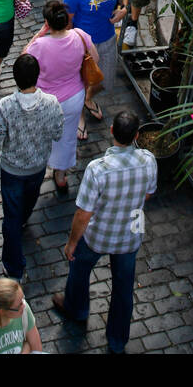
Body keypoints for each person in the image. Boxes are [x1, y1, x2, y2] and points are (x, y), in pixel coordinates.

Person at [52, 109, 156, 354]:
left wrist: (71, 243)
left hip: (98, 235)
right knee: (123, 288)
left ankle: (76, 309)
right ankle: (117, 341)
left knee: (79, 268)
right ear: (137, 136)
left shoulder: (98, 169)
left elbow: (83, 213)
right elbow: (149, 193)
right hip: (130, 235)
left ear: (111, 132)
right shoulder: (149, 160)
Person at [0, 53, 64, 281]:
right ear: (37, 77)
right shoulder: (51, 104)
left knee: (10, 218)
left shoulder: (6, 106)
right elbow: (58, 133)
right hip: (38, 166)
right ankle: (22, 219)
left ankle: (14, 267)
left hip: (12, 169)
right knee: (28, 202)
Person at [26, 0, 98, 195]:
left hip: (45, 101)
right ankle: (61, 175)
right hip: (74, 98)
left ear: (47, 23)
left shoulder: (40, 45)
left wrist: (39, 34)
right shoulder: (80, 36)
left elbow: (23, 61)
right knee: (67, 138)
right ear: (67, 21)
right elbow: (95, 59)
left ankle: (39, 170)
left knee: (42, 137)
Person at [63, 0, 127, 128]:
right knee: (80, 83)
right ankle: (79, 117)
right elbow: (67, 21)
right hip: (84, 45)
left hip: (107, 38)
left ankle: (87, 98)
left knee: (105, 81)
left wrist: (124, 7)